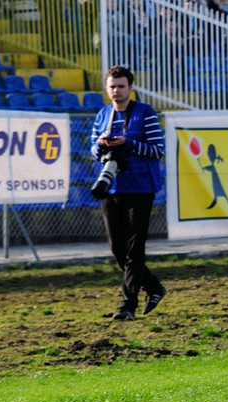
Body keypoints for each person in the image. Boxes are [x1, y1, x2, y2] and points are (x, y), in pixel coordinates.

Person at [90, 66, 166, 321]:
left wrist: (128, 143)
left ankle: (127, 306)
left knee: (135, 252)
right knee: (118, 250)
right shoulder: (103, 114)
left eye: (121, 86)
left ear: (130, 87)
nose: (116, 90)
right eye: (112, 86)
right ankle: (153, 287)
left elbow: (157, 150)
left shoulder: (144, 113)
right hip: (111, 188)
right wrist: (101, 145)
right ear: (107, 88)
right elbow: (92, 151)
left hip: (141, 188)